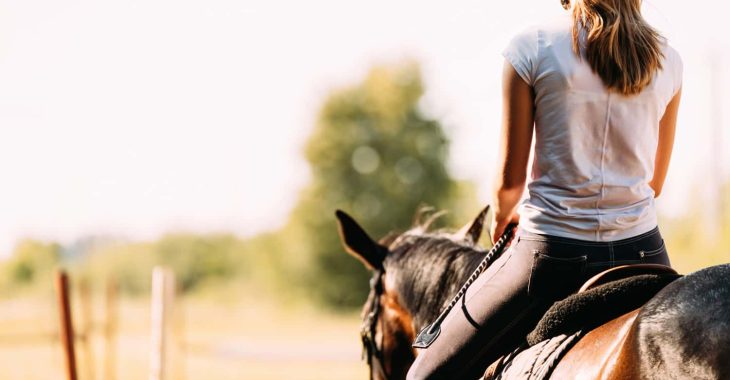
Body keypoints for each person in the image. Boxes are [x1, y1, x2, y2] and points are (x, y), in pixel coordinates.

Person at [406, 0, 683, 378]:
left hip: (553, 255)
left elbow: (510, 184)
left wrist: (504, 217)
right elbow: (655, 182)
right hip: (644, 251)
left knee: (424, 374)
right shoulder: (668, 58)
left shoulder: (531, 47)